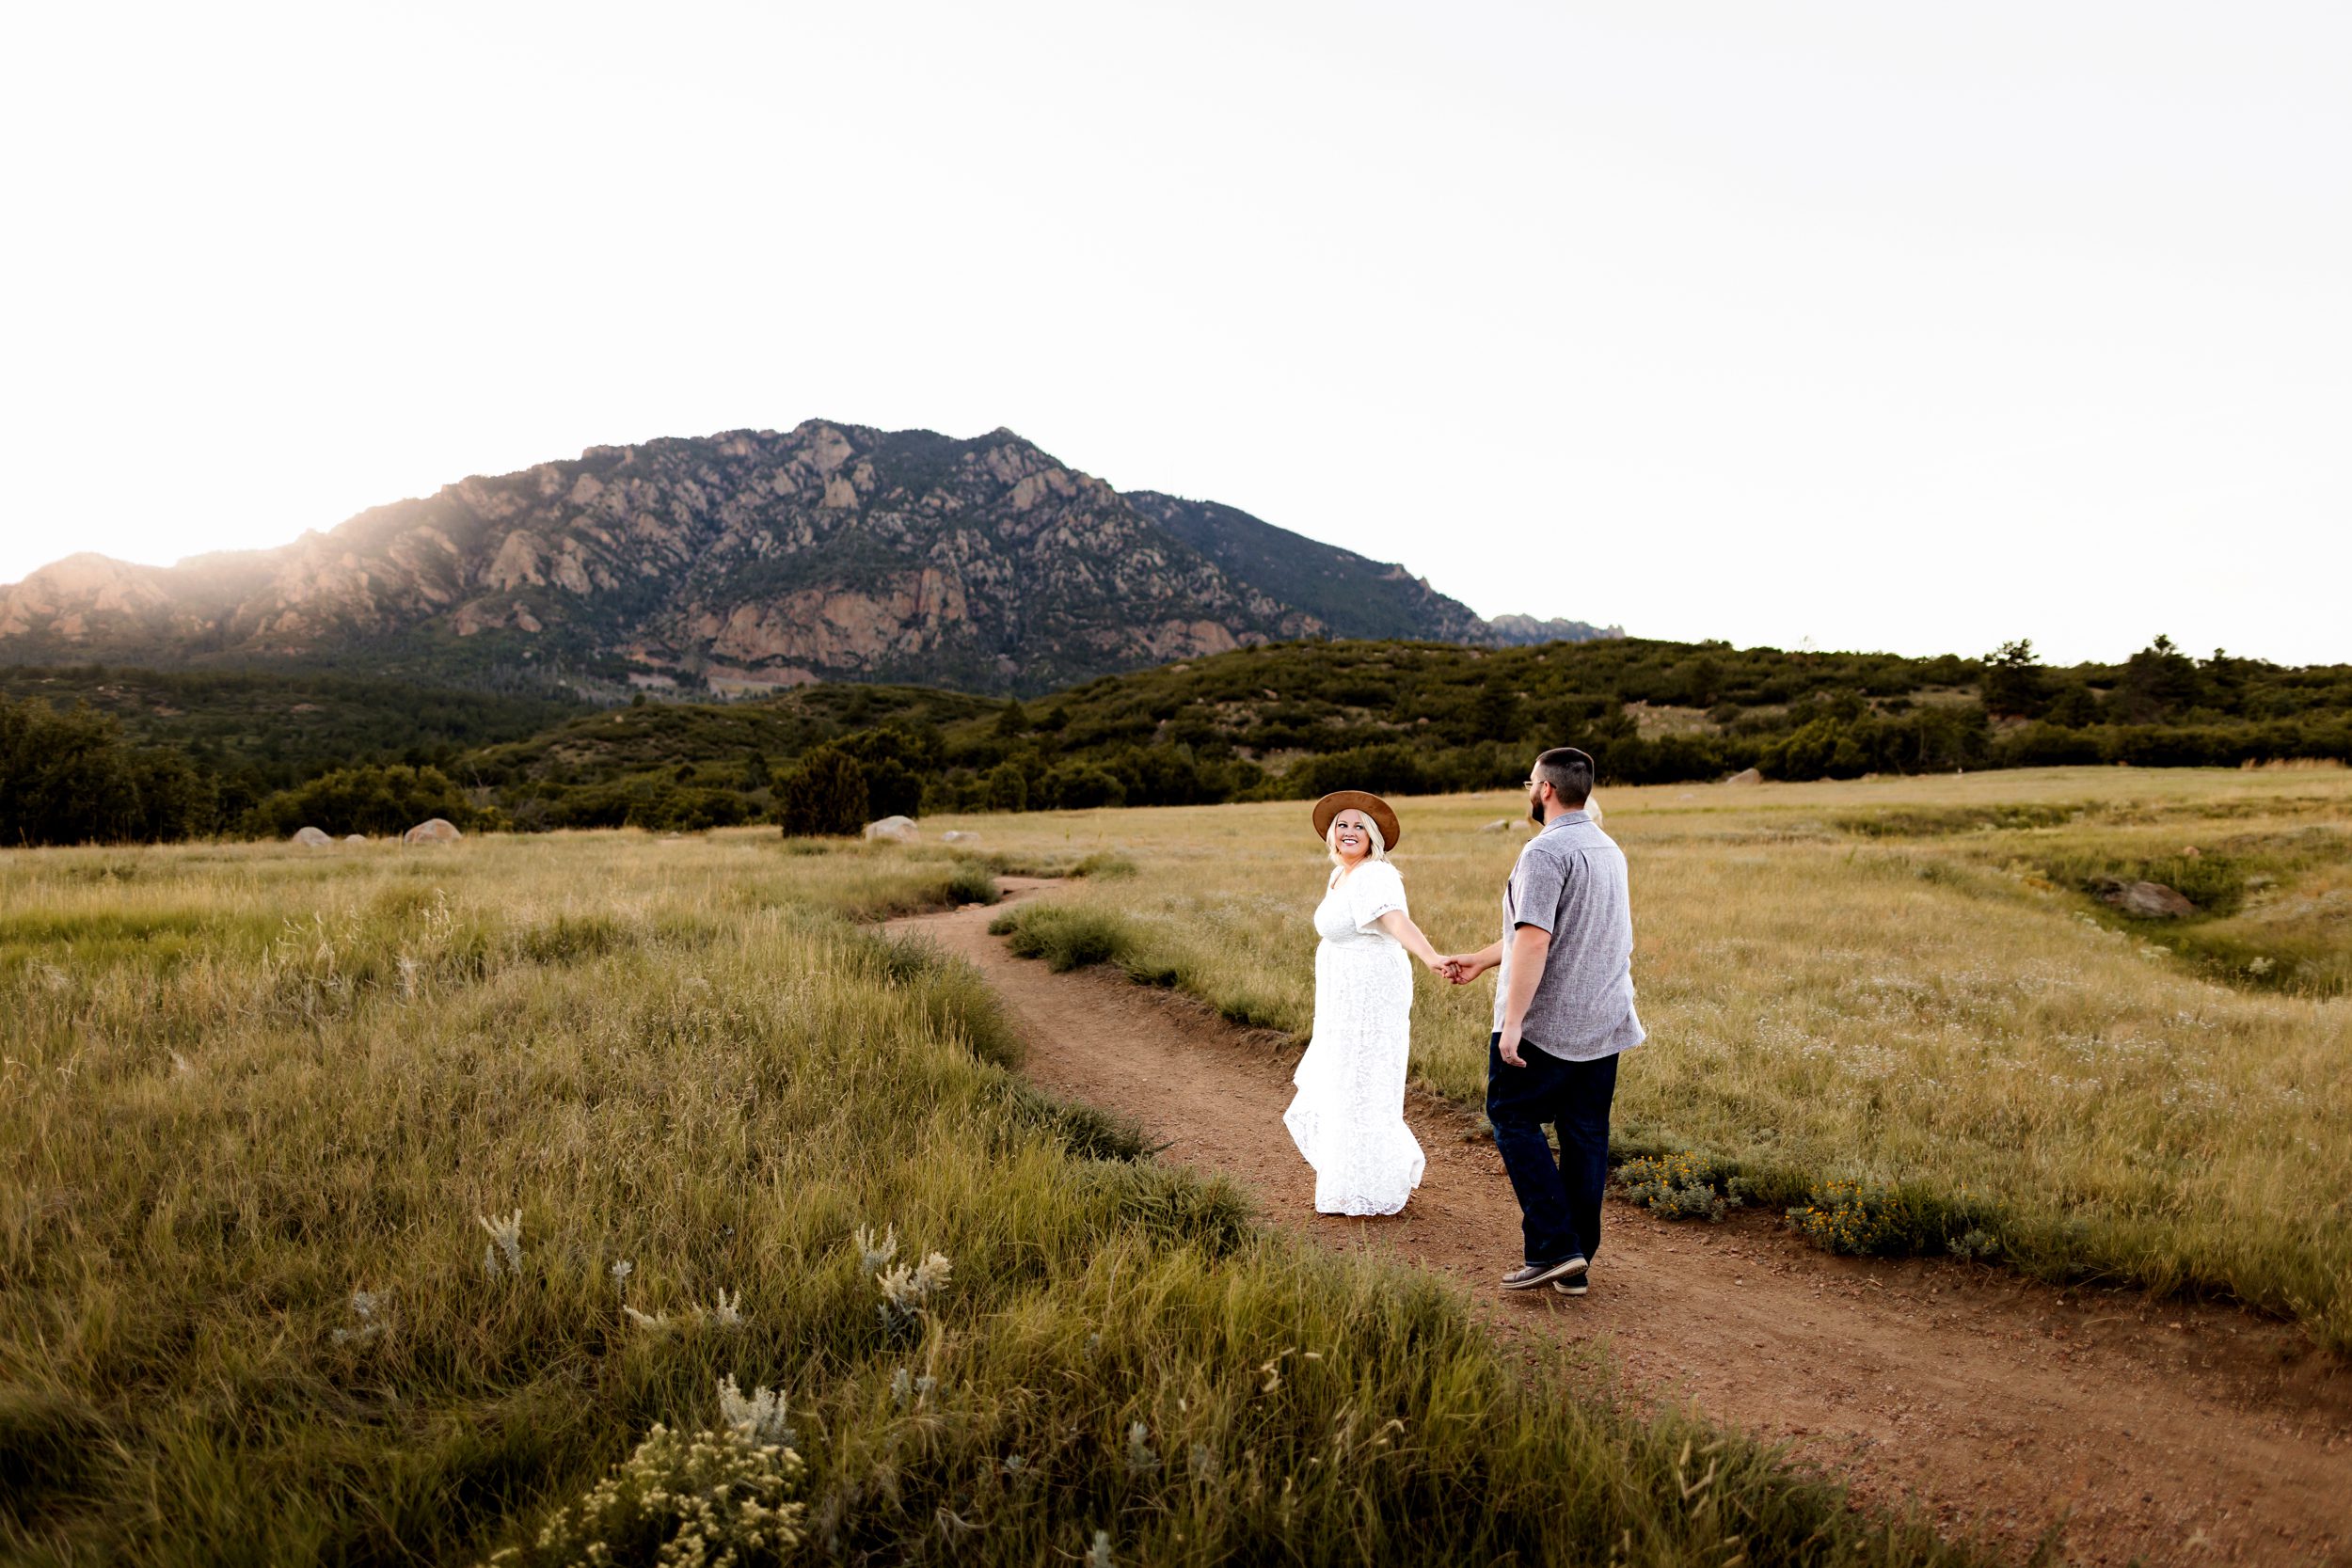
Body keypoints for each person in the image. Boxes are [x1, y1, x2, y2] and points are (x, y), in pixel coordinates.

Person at [1439, 748, 1643, 1293]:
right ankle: (1576, 1262)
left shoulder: (1544, 853)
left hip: (1549, 1024)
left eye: (1531, 782)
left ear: (1546, 790)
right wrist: (1483, 959)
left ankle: (1555, 1247)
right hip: (1604, 1019)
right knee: (1584, 1135)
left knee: (1510, 1115)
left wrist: (1512, 1022)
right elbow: (1552, 931)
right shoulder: (1608, 849)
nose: (1529, 790)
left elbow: (1535, 939)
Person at [1282, 790, 1450, 1216]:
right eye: (1343, 825)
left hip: (1371, 992)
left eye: (1359, 825)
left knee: (1363, 1080)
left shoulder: (1376, 874)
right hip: (1342, 993)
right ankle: (1348, 1181)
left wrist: (1431, 957)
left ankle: (1372, 1185)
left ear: (1373, 835)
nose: (1350, 832)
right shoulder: (1340, 875)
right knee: (1344, 1081)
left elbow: (1396, 920)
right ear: (1332, 836)